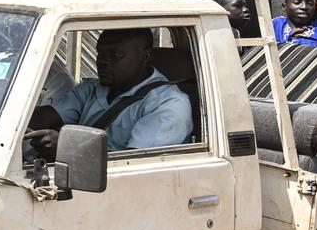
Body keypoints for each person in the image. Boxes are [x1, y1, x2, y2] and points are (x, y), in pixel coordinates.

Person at [26, 28, 192, 158]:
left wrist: (66, 147)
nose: (103, 62)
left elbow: (132, 163)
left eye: (115, 55)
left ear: (145, 56)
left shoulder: (169, 105)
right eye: (100, 54)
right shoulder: (91, 89)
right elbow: (45, 118)